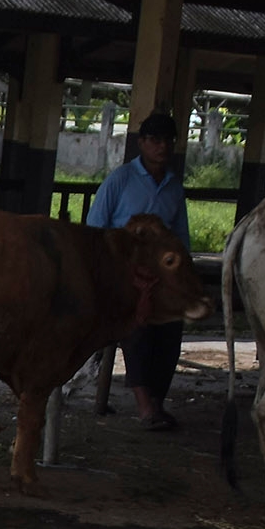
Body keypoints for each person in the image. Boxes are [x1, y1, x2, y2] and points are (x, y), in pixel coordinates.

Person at [86, 110, 191, 430]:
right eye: (155, 140)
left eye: (168, 140)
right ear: (142, 143)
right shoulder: (120, 180)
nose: (162, 147)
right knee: (138, 325)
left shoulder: (174, 187)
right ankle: (144, 405)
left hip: (159, 276)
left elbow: (181, 238)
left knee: (171, 327)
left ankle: (158, 401)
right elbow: (95, 229)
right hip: (124, 273)